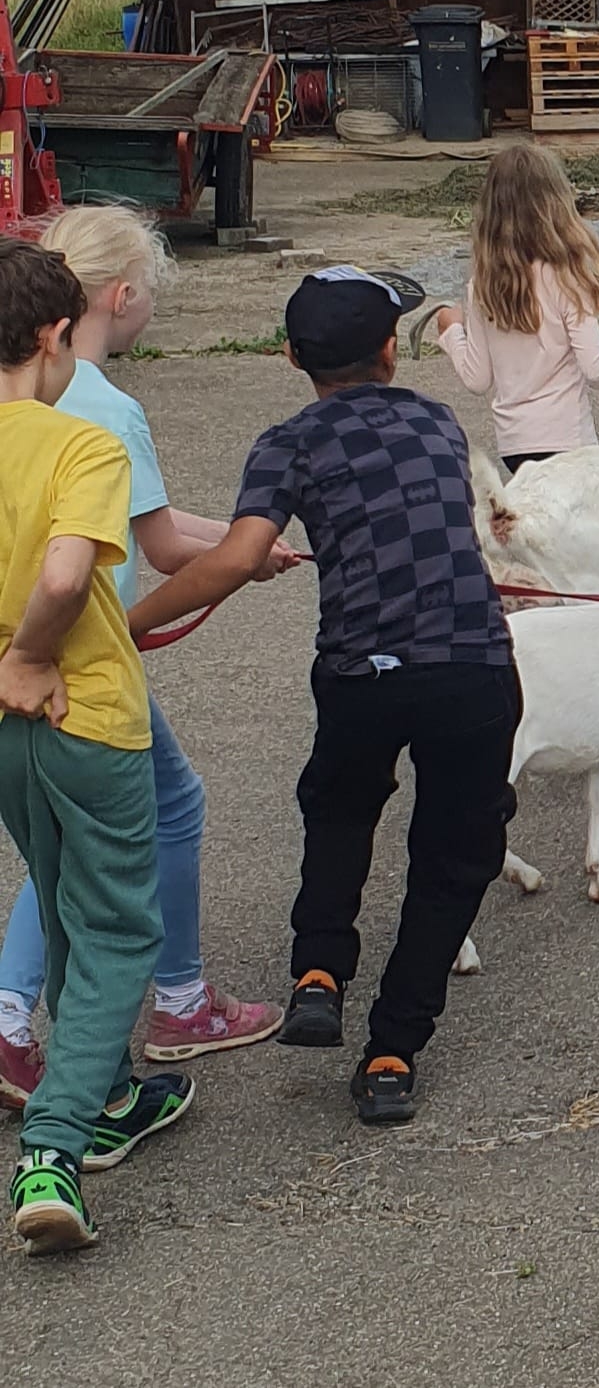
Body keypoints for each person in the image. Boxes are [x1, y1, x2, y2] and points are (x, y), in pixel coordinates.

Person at [127, 267, 521, 1128]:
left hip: (359, 670)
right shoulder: (437, 422)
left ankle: (317, 972)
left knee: (341, 809)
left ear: (288, 355)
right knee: (454, 855)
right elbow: (426, 529)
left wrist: (127, 626)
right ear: (391, 350)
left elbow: (235, 556)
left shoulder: (287, 442)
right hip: (468, 665)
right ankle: (391, 1053)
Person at [0, 209, 288, 1111]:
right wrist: (252, 548)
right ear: (118, 299)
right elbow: (157, 547)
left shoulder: (40, 403)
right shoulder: (100, 412)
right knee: (138, 833)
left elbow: (151, 529)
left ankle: (29, 1023)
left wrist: (254, 539)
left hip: (25, 681)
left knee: (60, 853)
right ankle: (167, 1006)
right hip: (81, 671)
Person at [0, 240, 195, 1256]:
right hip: (86, 711)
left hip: (4, 728)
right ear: (53, 335)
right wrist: (32, 652)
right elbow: (72, 572)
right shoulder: (80, 441)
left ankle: (111, 1089)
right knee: (122, 927)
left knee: (67, 894)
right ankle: (55, 1148)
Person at [425, 144, 599, 473]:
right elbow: (595, 367)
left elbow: (477, 379)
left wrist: (452, 330)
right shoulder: (568, 277)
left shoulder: (482, 284)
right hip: (570, 444)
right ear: (555, 202)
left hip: (516, 449)